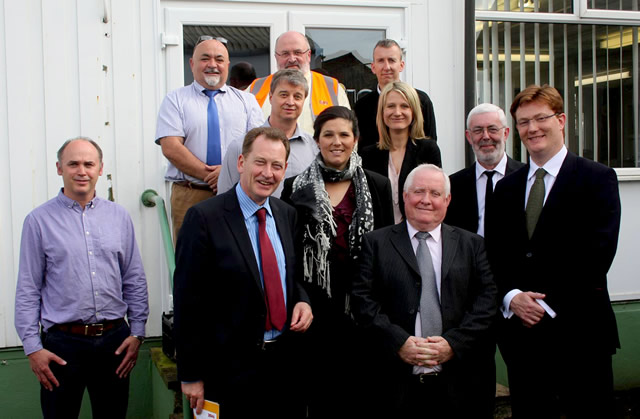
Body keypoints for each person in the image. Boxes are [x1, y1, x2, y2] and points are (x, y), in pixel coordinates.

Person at [485, 84, 621, 418]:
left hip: (581, 333)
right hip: (523, 337)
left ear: (561, 120)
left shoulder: (597, 178)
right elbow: (493, 255)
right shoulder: (506, 188)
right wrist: (512, 296)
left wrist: (547, 305)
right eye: (523, 122)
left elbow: (597, 254)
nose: (532, 129)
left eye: (540, 118)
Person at [174, 127, 313, 419]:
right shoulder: (204, 218)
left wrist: (302, 300)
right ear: (241, 163)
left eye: (277, 166)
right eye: (260, 162)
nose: (268, 173)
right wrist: (190, 375)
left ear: (285, 169)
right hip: (229, 373)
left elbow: (290, 275)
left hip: (284, 366)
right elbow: (188, 302)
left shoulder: (286, 213)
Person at [14, 137, 149, 419]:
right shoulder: (39, 221)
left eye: (89, 164)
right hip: (62, 346)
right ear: (59, 168)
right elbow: (28, 288)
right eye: (73, 163)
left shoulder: (119, 217)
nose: (81, 171)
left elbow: (134, 278)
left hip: (115, 342)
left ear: (100, 169)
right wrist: (32, 349)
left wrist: (137, 332)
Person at [351, 164, 498, 419]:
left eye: (435, 193)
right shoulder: (376, 243)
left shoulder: (471, 244)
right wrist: (399, 342)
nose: (426, 200)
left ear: (448, 199)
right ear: (404, 196)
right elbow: (362, 302)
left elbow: (486, 301)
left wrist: (454, 343)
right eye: (418, 191)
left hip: (459, 384)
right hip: (394, 385)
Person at [280, 106, 393, 418]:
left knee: (364, 399)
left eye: (344, 134)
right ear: (317, 140)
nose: (336, 141)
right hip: (316, 311)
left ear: (355, 139)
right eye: (328, 134)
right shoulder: (295, 187)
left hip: (365, 310)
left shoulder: (377, 185)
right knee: (321, 399)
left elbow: (387, 248)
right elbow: (289, 253)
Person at [155, 36, 264, 240]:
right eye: (205, 58)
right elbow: (171, 147)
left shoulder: (247, 102)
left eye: (219, 59)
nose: (212, 65)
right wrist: (213, 176)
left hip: (237, 194)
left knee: (237, 257)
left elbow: (257, 146)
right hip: (190, 194)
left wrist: (227, 173)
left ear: (227, 65)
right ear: (192, 63)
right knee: (191, 259)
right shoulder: (175, 100)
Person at [218, 69, 317, 197]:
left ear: (304, 100)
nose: (290, 102)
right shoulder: (240, 146)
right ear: (270, 97)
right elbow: (224, 200)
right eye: (283, 95)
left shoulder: (314, 148)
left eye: (297, 96)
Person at [361, 81, 441, 223]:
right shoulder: (368, 154)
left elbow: (435, 195)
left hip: (417, 231)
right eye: (391, 106)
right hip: (380, 235)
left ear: (413, 111)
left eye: (404, 106)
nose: (397, 112)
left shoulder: (428, 149)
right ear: (382, 111)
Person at [444, 103, 525, 236]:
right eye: (478, 130)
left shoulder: (526, 177)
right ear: (469, 137)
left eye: (492, 129)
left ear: (506, 133)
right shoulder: (453, 184)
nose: (486, 136)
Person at [248, 31, 351, 135]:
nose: (292, 59)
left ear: (309, 55)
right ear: (276, 57)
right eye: (285, 54)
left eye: (297, 53)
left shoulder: (332, 88)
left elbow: (347, 131)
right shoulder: (255, 88)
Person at [354, 39, 437, 148]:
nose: (387, 67)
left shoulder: (420, 100)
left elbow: (430, 143)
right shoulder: (362, 106)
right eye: (381, 61)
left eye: (392, 60)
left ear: (401, 65)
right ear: (373, 67)